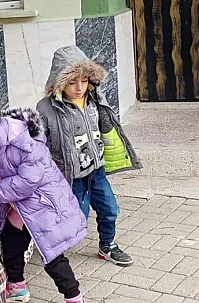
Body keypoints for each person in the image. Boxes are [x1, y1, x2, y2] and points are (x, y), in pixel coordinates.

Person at [0, 91, 93, 303]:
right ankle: (17, 286)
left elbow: (28, 181)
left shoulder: (23, 141)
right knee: (10, 243)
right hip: (17, 208)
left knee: (52, 256)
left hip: (43, 206)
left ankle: (77, 302)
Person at [37, 45, 141, 267]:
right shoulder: (46, 108)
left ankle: (108, 245)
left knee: (110, 209)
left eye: (84, 81)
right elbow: (38, 143)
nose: (79, 88)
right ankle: (48, 240)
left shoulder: (95, 99)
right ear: (59, 81)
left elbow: (108, 127)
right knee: (78, 217)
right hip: (71, 174)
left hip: (96, 169)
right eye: (72, 82)